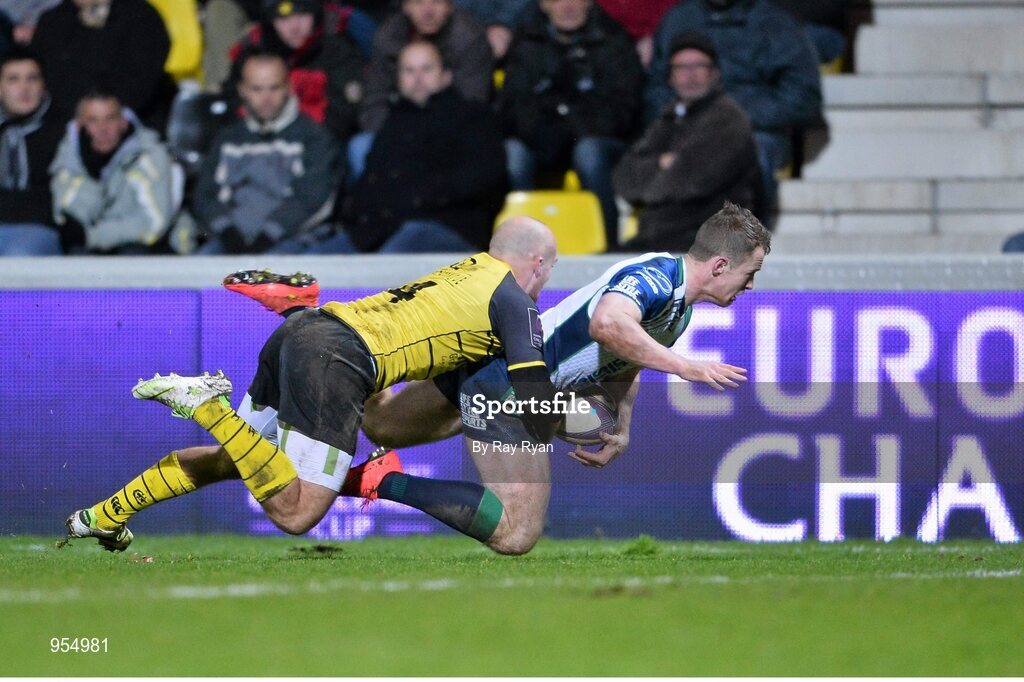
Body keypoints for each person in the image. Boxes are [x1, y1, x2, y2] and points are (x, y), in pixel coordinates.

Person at [223, 201, 768, 555]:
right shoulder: (652, 276)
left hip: (499, 371)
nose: (750, 285)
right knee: (517, 532)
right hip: (514, 382)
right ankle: (376, 480)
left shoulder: (680, 310)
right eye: (750, 273)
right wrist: (687, 366)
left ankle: (302, 311)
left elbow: (627, 360)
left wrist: (621, 427)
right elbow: (609, 325)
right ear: (720, 265)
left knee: (382, 423)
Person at [64, 217, 560, 552]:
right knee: (297, 513)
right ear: (538, 263)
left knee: (233, 460)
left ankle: (103, 515)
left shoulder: (467, 270)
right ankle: (207, 406)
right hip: (337, 360)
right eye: (550, 269)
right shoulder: (516, 301)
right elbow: (536, 400)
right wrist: (579, 419)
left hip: (307, 334)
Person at [645, 0, 822, 219]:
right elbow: (656, 88)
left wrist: (740, 116)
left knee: (756, 152)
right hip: (690, 127)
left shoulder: (775, 22)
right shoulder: (678, 19)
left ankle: (744, 243)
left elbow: (803, 94)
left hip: (754, 130)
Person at [331, 41, 507, 253]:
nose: (418, 78)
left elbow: (484, 175)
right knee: (311, 263)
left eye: (427, 69)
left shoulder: (472, 117)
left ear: (446, 75)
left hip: (448, 226)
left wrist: (422, 197)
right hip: (379, 229)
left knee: (387, 263)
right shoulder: (392, 122)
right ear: (398, 79)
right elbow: (371, 183)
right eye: (409, 70)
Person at [502, 0, 644, 248]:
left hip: (597, 139)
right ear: (543, 5)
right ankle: (516, 248)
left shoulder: (613, 39)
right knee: (513, 153)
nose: (568, 6)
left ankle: (608, 247)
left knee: (588, 152)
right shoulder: (526, 40)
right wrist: (546, 131)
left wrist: (567, 124)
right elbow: (514, 104)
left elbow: (622, 109)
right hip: (542, 138)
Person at [613, 33, 761, 253]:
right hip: (657, 238)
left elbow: (693, 181)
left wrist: (656, 172)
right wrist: (664, 164)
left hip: (708, 242)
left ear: (715, 73)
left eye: (698, 66)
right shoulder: (669, 117)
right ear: (670, 76)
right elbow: (625, 179)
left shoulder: (728, 119)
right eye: (681, 67)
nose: (690, 74)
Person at [191, 50, 341, 254]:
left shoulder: (313, 137)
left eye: (274, 88)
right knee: (194, 275)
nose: (266, 98)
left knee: (272, 274)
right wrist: (227, 231)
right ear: (242, 90)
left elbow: (314, 198)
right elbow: (205, 195)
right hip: (229, 241)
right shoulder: (228, 139)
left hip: (292, 239)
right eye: (257, 89)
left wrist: (270, 233)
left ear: (288, 87)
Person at [349, 0, 492, 181]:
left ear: (449, 6)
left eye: (436, 2)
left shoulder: (468, 38)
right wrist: (404, 136)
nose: (427, 11)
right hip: (399, 130)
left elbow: (473, 105)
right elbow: (373, 104)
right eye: (418, 3)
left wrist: (427, 138)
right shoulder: (388, 37)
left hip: (454, 132)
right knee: (360, 147)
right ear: (406, 6)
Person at [49, 90, 174, 253]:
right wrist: (92, 173)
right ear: (80, 125)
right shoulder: (69, 157)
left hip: (139, 245)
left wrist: (94, 236)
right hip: (88, 247)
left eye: (110, 118)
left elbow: (153, 223)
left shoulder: (149, 155)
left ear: (124, 122)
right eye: (93, 120)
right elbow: (67, 218)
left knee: (134, 255)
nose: (102, 128)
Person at [224, 0, 367, 143]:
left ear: (316, 15)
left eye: (303, 15)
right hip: (255, 145)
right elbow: (233, 104)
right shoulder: (253, 54)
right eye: (283, 19)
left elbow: (342, 116)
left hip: (318, 146)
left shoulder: (337, 52)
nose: (294, 27)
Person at [30, 0, 172, 128]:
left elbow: (144, 75)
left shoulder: (141, 15)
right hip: (69, 126)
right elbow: (50, 78)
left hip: (136, 123)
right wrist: (85, 115)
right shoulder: (52, 22)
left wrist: (108, 114)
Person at [0, 46, 64, 255]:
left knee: (19, 256)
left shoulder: (63, 132)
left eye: (32, 79)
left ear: (43, 85)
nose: (24, 88)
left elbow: (60, 202)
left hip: (39, 229)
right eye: (13, 79)